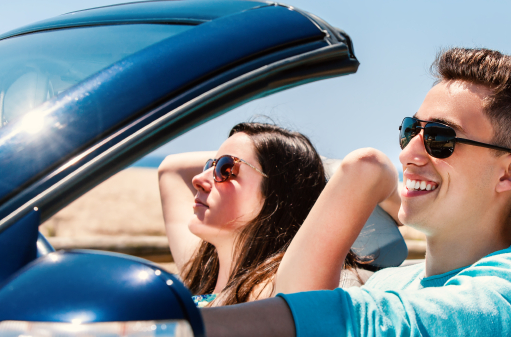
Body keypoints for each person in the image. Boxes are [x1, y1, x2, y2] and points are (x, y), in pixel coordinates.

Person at [200, 48, 511, 337]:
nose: (408, 154)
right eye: (409, 131)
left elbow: (347, 335)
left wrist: (172, 333)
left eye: (439, 138)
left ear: (509, 174)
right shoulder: (393, 280)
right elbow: (306, 333)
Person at [158, 122, 400, 306]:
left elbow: (368, 165)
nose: (199, 180)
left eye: (225, 169)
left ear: (277, 192)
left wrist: (302, 165)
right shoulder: (202, 270)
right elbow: (171, 168)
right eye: (209, 165)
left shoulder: (279, 291)